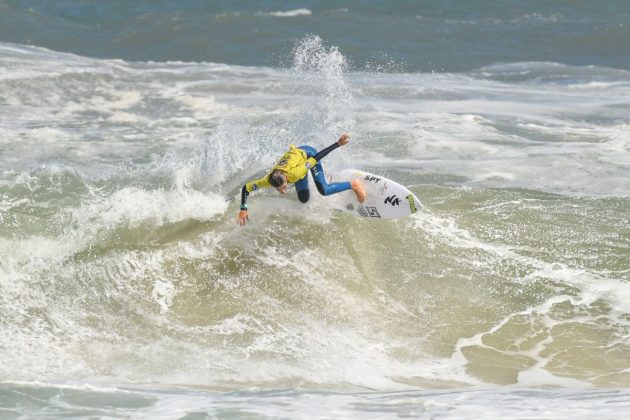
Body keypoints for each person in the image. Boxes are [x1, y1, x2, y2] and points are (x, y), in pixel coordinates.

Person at [237, 133, 366, 226]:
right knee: (304, 198)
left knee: (324, 190)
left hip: (308, 154)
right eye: (278, 189)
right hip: (296, 162)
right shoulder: (268, 179)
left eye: (282, 188)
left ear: (286, 179)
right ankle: (325, 182)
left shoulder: (296, 173)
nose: (281, 191)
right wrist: (243, 208)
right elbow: (246, 188)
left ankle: (353, 184)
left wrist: (337, 144)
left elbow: (317, 157)